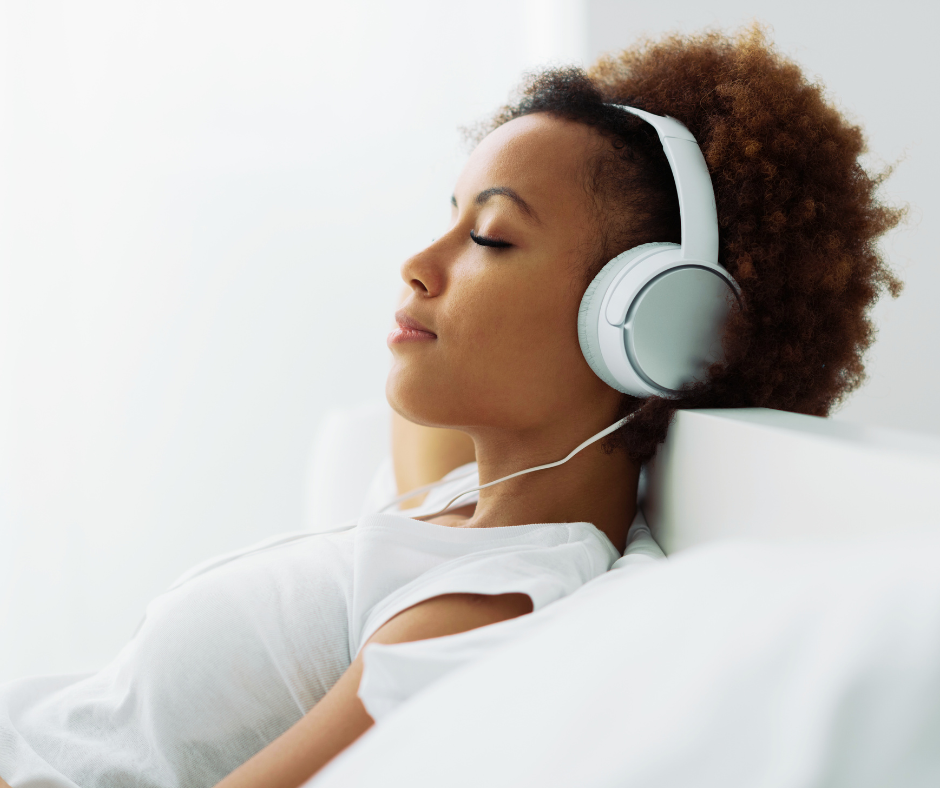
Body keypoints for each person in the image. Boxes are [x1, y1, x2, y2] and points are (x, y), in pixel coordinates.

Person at [0, 25, 902, 788]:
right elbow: (416, 418)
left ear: (652, 329)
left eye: (490, 236)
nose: (418, 262)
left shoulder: (484, 606)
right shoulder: (469, 504)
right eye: (450, 214)